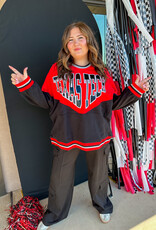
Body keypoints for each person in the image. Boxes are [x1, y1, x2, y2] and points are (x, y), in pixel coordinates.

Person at [9, 21, 150, 230]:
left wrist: (134, 91)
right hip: (65, 135)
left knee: (99, 174)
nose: (75, 43)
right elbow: (47, 101)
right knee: (60, 178)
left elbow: (113, 103)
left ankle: (103, 205)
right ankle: (55, 214)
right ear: (66, 46)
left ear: (88, 41)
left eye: (80, 38)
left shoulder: (102, 73)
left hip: (97, 134)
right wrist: (26, 85)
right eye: (70, 40)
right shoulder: (57, 71)